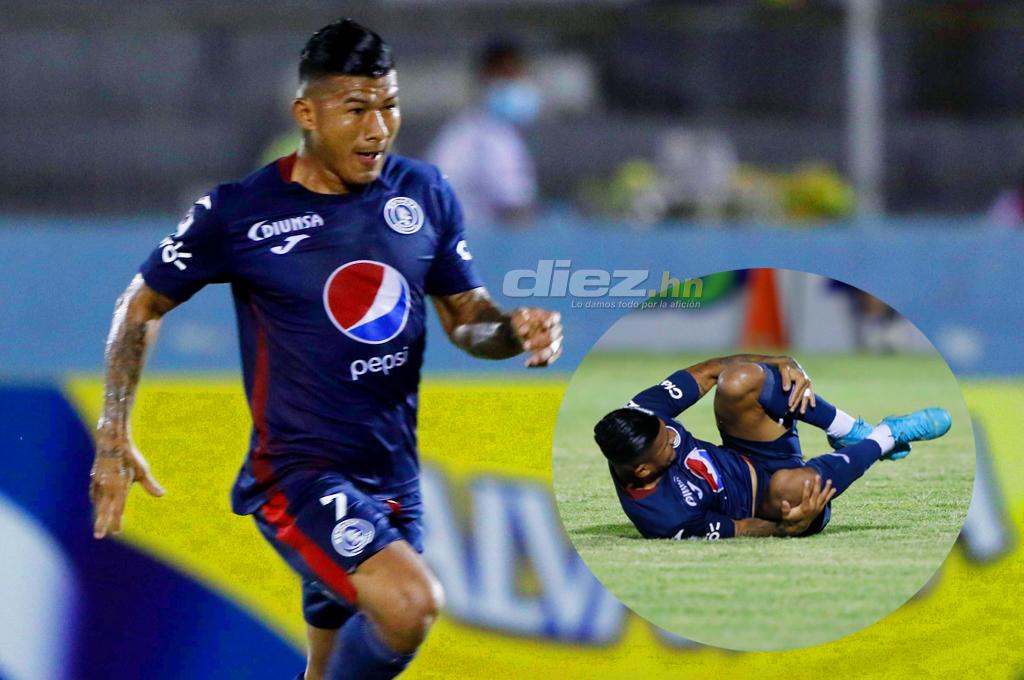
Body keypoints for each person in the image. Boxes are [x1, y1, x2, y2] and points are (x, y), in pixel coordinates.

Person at [88, 19, 563, 680]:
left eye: (390, 106)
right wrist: (114, 433)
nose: (378, 129)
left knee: (334, 663)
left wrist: (511, 331)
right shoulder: (239, 211)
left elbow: (466, 320)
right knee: (410, 605)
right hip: (299, 474)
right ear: (306, 114)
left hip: (394, 475)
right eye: (356, 109)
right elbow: (139, 305)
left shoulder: (423, 193)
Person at [593, 355, 951, 539]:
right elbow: (743, 529)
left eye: (668, 430)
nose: (673, 437)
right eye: (665, 444)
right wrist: (787, 528)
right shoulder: (667, 519)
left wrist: (777, 360)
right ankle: (886, 436)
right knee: (792, 488)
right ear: (642, 470)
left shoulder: (638, 416)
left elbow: (712, 369)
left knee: (740, 378)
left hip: (751, 449)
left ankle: (847, 430)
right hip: (770, 504)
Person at [427, 39, 539, 227]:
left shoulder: (498, 131)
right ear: (485, 79)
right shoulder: (485, 135)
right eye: (506, 76)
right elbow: (513, 207)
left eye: (517, 75)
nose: (515, 83)